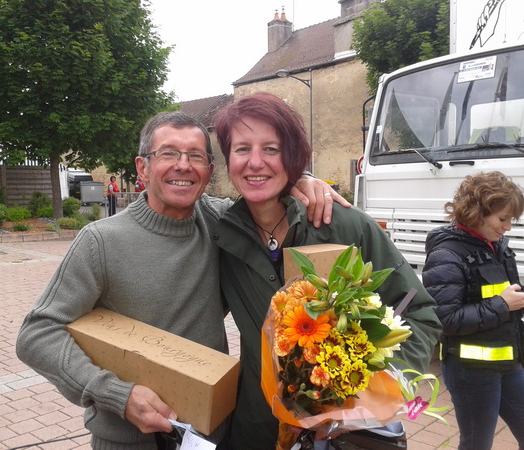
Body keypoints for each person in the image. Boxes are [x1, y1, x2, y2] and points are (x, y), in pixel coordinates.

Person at [16, 111, 348, 449]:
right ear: (142, 167)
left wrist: (302, 179)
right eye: (169, 153)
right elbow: (37, 333)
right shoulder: (100, 241)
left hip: (211, 431)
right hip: (129, 441)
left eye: (195, 156)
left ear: (209, 171)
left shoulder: (221, 223)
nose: (183, 165)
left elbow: (264, 187)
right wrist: (116, 394)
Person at [211, 92, 443, 450]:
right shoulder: (221, 234)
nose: (255, 162)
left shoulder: (345, 227)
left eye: (271, 149)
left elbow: (420, 312)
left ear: (293, 157)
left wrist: (365, 398)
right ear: (227, 160)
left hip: (340, 435)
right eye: (242, 149)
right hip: (256, 429)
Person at [422, 171, 524, 450]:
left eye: (511, 220)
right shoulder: (446, 254)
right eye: (502, 219)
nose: (508, 228)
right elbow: (445, 319)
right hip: (471, 371)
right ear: (478, 211)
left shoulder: (495, 244)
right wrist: (502, 304)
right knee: (477, 444)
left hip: (508, 362)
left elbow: (503, 292)